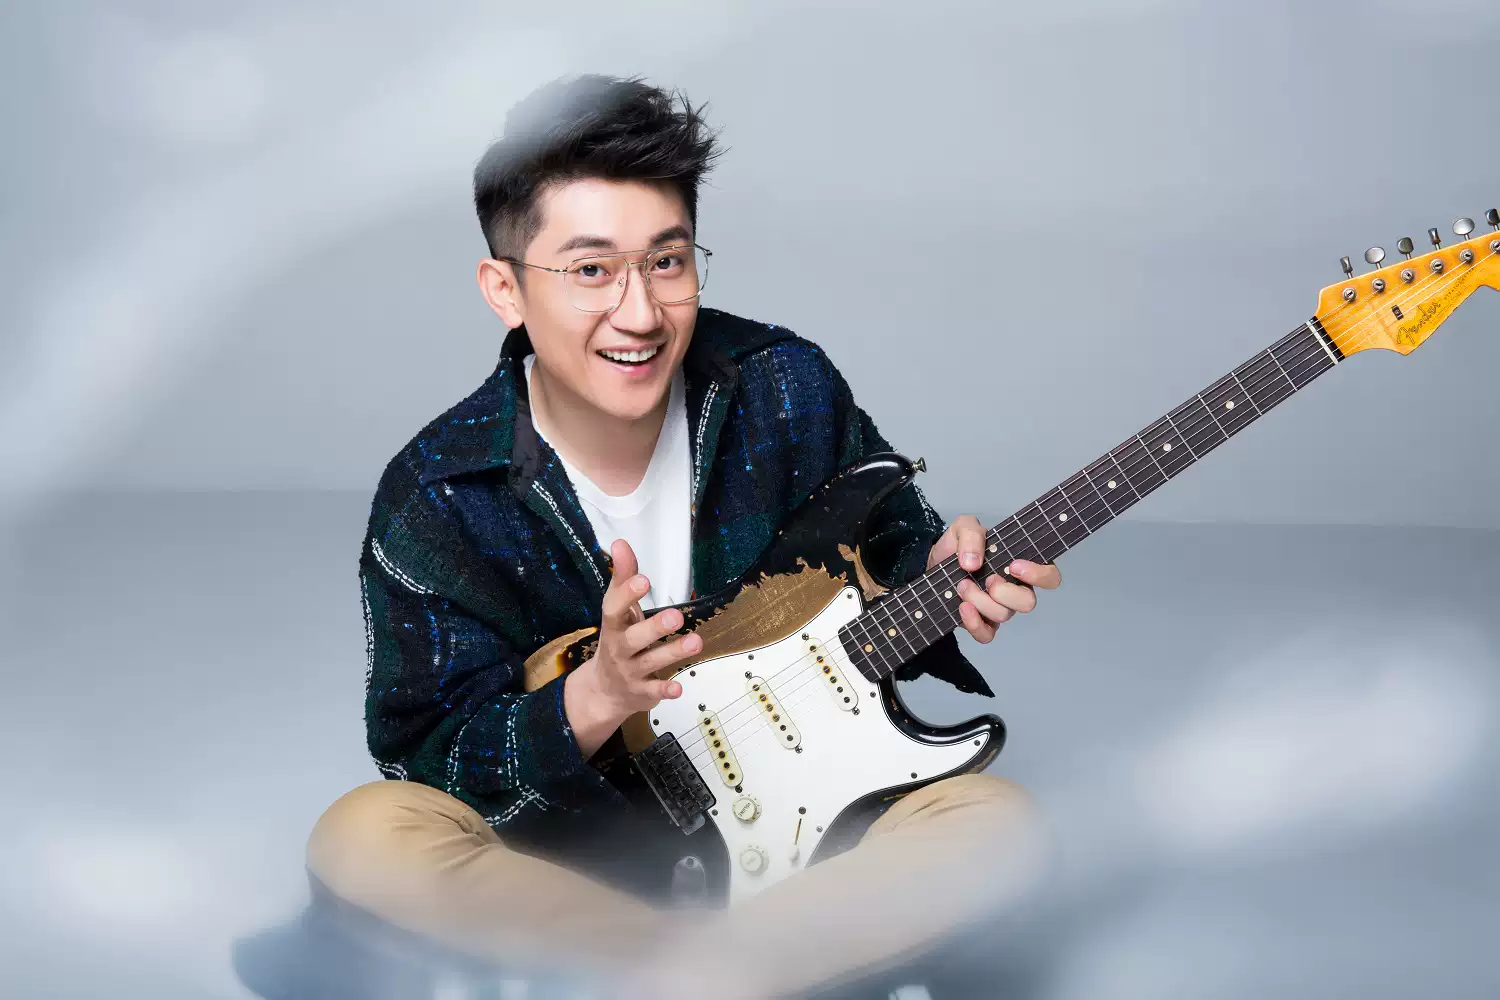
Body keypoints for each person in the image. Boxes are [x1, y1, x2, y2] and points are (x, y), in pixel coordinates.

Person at [306, 74, 1060, 998]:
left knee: (999, 825)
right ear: (506, 290)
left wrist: (941, 573)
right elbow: (427, 756)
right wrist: (593, 696)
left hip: (811, 819)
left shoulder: (785, 387)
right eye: (591, 271)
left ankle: (667, 979)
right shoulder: (437, 493)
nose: (640, 313)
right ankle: (733, 970)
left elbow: (893, 543)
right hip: (578, 860)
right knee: (364, 833)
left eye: (667, 261)